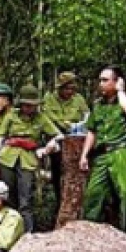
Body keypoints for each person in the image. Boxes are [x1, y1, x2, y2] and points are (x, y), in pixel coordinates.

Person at [0, 85, 60, 233]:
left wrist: (47, 147)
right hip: (7, 158)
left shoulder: (41, 118)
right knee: (8, 196)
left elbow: (58, 135)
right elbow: (1, 140)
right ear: (21, 104)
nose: (30, 108)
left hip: (28, 160)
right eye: (27, 105)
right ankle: (8, 233)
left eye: (32, 105)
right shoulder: (12, 115)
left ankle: (27, 234)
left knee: (26, 199)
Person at [80, 66, 126, 232]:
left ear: (117, 82)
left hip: (122, 151)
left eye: (105, 80)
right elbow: (92, 131)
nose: (101, 84)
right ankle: (88, 232)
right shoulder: (97, 105)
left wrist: (121, 91)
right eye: (100, 80)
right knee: (93, 194)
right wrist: (84, 155)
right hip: (102, 154)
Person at [41, 72, 90, 201]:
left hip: (77, 140)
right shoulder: (49, 99)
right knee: (58, 173)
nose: (70, 92)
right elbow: (48, 119)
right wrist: (64, 125)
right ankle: (59, 201)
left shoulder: (78, 99)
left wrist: (78, 125)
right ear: (60, 88)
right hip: (57, 139)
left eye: (72, 88)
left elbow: (87, 116)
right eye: (67, 88)